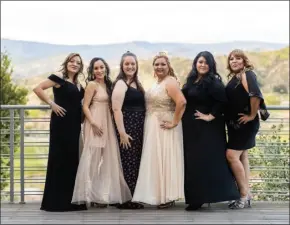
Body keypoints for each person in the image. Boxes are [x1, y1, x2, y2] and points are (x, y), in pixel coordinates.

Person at [181, 51, 240, 211]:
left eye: (206, 63)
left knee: (205, 162)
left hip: (207, 130)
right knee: (193, 163)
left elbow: (222, 102)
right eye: (200, 62)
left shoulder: (213, 82)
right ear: (195, 63)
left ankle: (203, 198)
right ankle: (196, 197)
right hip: (192, 128)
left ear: (211, 65)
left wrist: (210, 116)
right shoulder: (192, 80)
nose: (202, 65)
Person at [71, 57, 132, 207]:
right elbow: (85, 106)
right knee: (92, 160)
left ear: (106, 68)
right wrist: (93, 123)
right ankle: (86, 195)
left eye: (101, 67)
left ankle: (99, 195)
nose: (99, 71)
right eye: (96, 68)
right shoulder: (92, 85)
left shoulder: (109, 85)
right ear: (92, 71)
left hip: (107, 123)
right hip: (95, 122)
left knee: (106, 159)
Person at [33, 53, 87, 211]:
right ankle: (55, 203)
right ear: (67, 62)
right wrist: (52, 104)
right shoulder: (59, 77)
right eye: (72, 61)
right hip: (60, 124)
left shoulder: (78, 83)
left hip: (75, 125)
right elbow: (38, 88)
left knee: (72, 159)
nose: (75, 64)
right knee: (59, 159)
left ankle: (71, 201)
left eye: (78, 62)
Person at [132, 51, 186, 209]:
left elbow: (181, 102)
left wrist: (174, 122)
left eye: (163, 64)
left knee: (165, 159)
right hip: (152, 126)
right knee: (156, 161)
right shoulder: (157, 83)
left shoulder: (170, 82)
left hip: (165, 127)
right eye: (156, 64)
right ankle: (158, 195)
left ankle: (167, 196)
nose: (159, 67)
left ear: (168, 66)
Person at [225, 49, 269, 209]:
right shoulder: (236, 76)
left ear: (244, 61)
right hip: (236, 124)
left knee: (231, 155)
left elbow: (255, 95)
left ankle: (243, 196)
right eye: (231, 59)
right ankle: (247, 195)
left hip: (245, 123)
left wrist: (251, 115)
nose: (234, 61)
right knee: (242, 156)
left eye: (238, 58)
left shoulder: (247, 74)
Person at [112, 51, 146, 209]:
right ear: (122, 66)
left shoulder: (136, 83)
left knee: (135, 161)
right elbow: (116, 109)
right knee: (128, 161)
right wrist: (122, 133)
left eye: (133, 64)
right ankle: (126, 199)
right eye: (127, 64)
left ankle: (134, 196)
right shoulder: (120, 83)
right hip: (128, 126)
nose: (130, 66)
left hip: (138, 126)